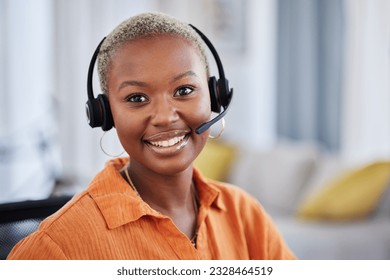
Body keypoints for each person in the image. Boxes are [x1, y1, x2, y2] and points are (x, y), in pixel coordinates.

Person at [7, 12, 295, 260]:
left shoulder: (244, 215)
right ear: (105, 113)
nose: (165, 117)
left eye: (183, 91)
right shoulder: (57, 247)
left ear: (215, 96)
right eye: (136, 98)